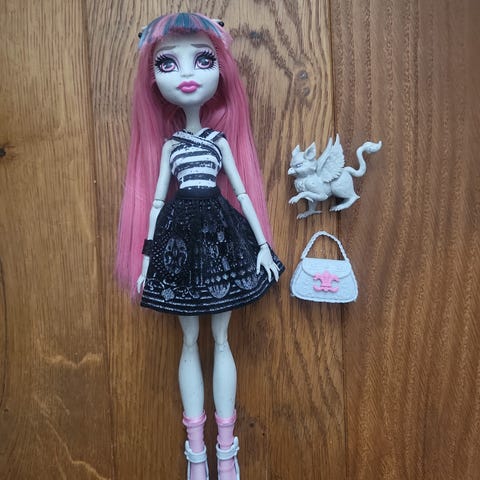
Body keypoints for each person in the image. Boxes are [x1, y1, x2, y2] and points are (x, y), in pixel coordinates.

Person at [116, 12, 284, 480]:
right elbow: (154, 204)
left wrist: (263, 246)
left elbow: (243, 193)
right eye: (167, 63)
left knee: (221, 339)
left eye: (203, 60)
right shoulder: (169, 146)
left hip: (220, 234)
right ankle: (197, 455)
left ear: (221, 72)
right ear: (152, 79)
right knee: (190, 340)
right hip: (178, 240)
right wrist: (145, 261)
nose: (187, 74)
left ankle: (226, 451)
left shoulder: (218, 141)